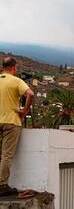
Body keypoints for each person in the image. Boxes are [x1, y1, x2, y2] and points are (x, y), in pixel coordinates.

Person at [0, 57, 34, 196]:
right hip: (11, 122)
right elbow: (30, 94)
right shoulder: (16, 81)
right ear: (13, 67)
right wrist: (24, 111)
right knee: (6, 155)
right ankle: (2, 186)